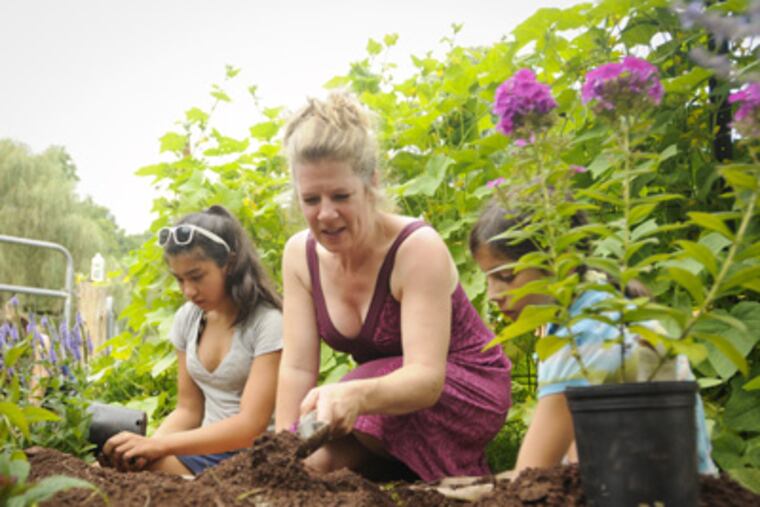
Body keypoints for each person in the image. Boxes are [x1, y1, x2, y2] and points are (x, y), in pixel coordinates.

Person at [274, 93, 512, 482]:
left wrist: (355, 394)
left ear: (371, 182)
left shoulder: (416, 248)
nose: (326, 214)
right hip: (382, 400)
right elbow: (298, 366)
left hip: (462, 389)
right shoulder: (299, 255)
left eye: (341, 196)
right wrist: (283, 451)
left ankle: (417, 465)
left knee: (349, 388)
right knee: (310, 468)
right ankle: (399, 469)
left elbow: (425, 378)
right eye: (311, 199)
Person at [469, 199, 718, 475]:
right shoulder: (600, 299)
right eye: (488, 278)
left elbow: (531, 476)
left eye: (505, 275)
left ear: (562, 261)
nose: (493, 295)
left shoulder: (585, 337)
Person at [102, 205, 283, 475]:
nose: (188, 291)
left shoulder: (268, 323)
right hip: (204, 450)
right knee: (115, 469)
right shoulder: (188, 319)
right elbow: (188, 410)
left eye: (197, 276)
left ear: (229, 264)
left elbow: (250, 426)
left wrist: (160, 447)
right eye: (179, 279)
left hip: (255, 456)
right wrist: (145, 447)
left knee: (136, 475)